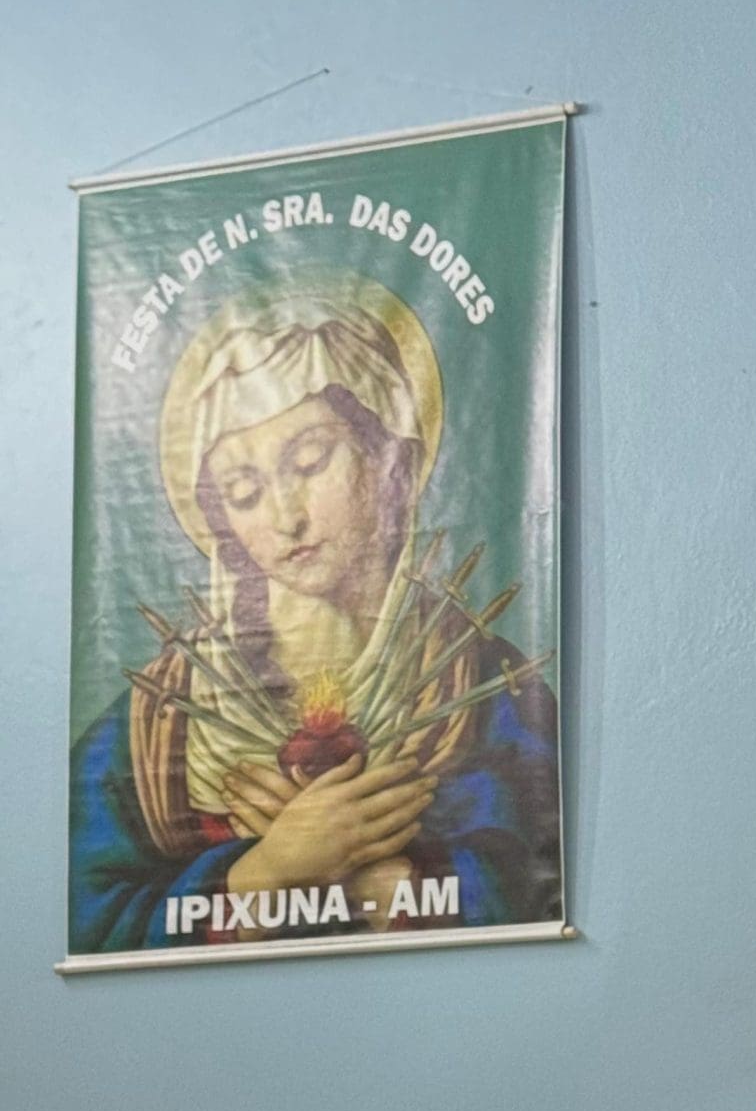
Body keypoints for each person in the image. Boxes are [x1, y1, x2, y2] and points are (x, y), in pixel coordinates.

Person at [71, 275, 561, 953]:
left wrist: (369, 871)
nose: (285, 516)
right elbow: (84, 925)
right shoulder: (150, 728)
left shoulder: (491, 691)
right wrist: (272, 869)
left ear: (390, 464)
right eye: (243, 492)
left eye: (309, 461)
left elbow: (538, 888)